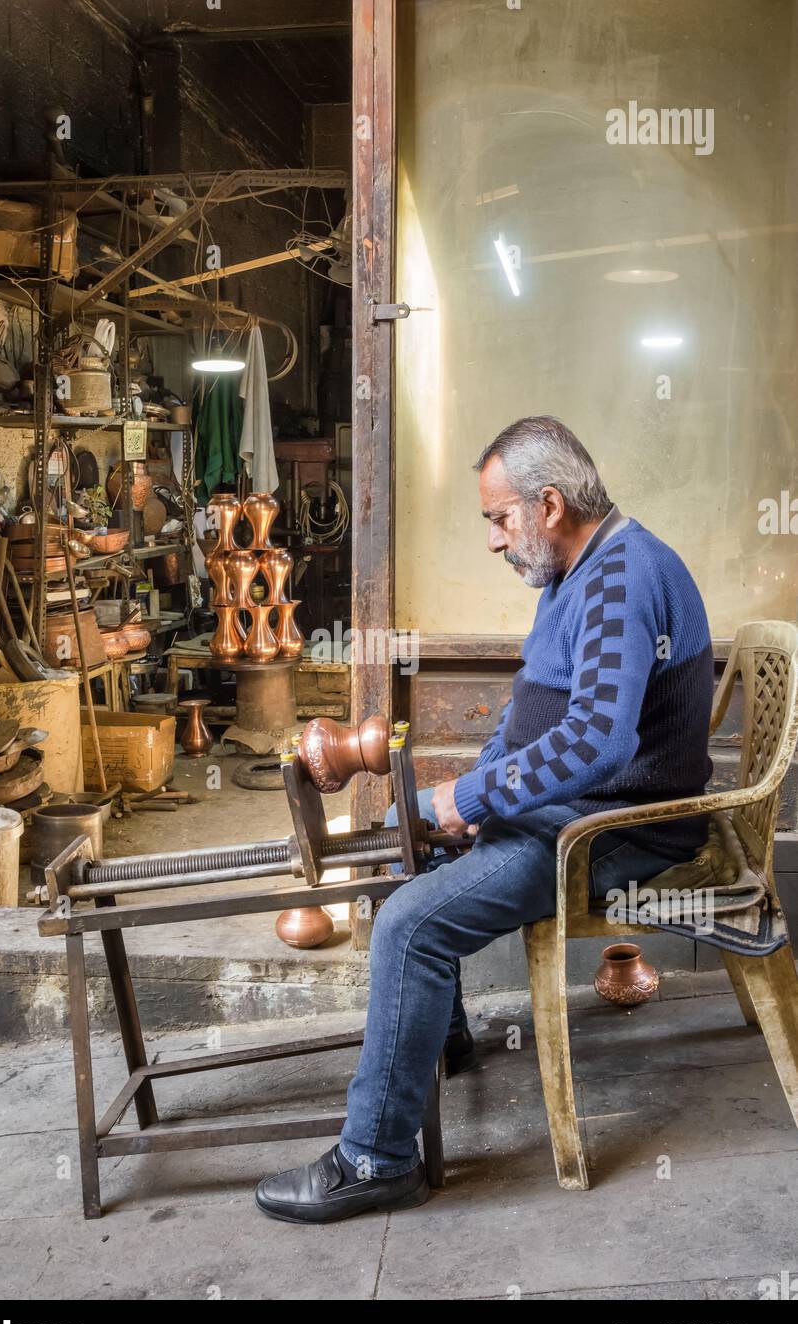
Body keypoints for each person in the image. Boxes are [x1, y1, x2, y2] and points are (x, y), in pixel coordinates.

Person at [255, 415, 714, 1224]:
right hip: (570, 810)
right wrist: (468, 794)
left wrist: (471, 800)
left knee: (407, 925)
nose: (496, 541)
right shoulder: (574, 574)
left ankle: (375, 1159)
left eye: (500, 520)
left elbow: (598, 744)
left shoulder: (623, 577)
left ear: (548, 504)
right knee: (405, 854)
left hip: (615, 826)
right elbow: (533, 708)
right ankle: (437, 1038)